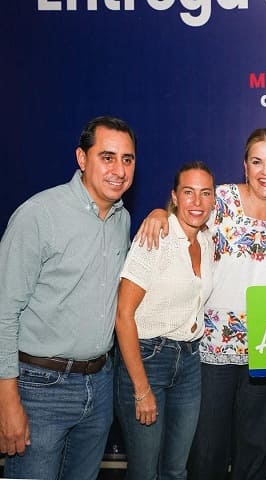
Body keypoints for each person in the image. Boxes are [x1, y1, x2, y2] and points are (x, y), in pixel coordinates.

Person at [134, 128, 266, 479]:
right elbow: (181, 219)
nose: (265, 171)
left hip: (265, 351)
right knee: (207, 451)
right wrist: (159, 213)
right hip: (211, 351)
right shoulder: (220, 200)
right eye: (257, 162)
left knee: (254, 453)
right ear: (245, 165)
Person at [0, 116, 136, 479]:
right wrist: (7, 400)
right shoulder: (39, 215)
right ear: (82, 158)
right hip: (39, 388)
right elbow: (4, 311)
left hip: (99, 385)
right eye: (107, 157)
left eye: (127, 159)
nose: (119, 170)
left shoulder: (122, 219)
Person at [114, 161, 215, 479]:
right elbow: (123, 315)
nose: (197, 202)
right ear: (174, 196)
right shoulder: (155, 237)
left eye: (205, 193)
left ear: (213, 199)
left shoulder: (207, 241)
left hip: (190, 363)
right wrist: (141, 389)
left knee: (175, 469)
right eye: (188, 192)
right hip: (148, 359)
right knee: (144, 472)